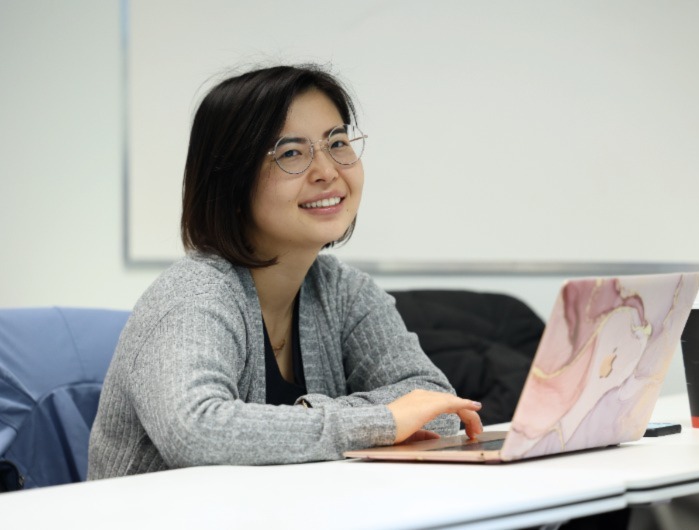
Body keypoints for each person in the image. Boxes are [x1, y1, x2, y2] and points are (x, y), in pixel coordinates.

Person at [88, 64, 483, 479]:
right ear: (232, 184)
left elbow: (436, 405)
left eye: (337, 142)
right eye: (292, 153)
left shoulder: (343, 291)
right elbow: (196, 431)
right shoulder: (193, 294)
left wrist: (369, 419)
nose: (328, 171)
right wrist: (382, 422)